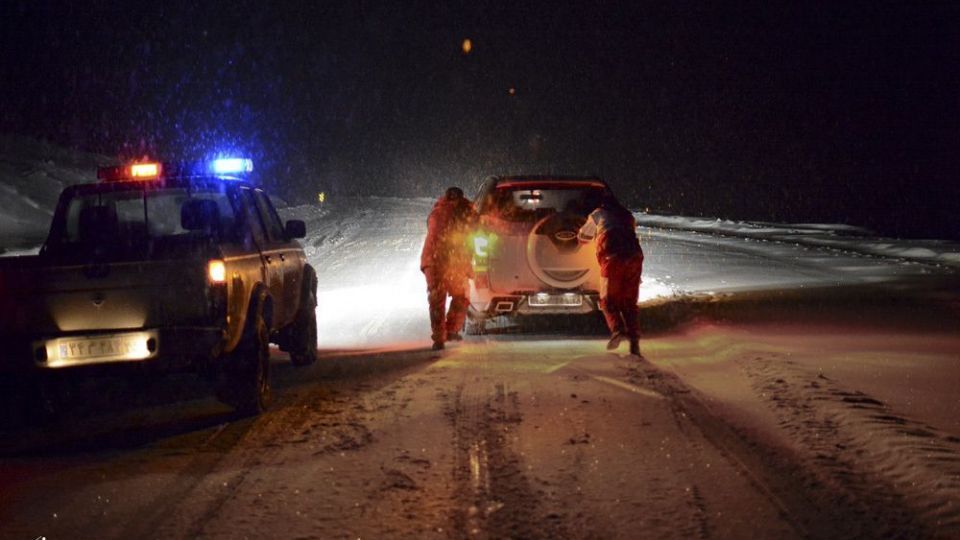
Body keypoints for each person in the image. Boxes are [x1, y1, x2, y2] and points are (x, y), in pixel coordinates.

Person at [578, 191, 644, 356]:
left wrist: (579, 240)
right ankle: (634, 343)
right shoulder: (627, 215)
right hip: (635, 258)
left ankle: (617, 330)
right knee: (629, 302)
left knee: (608, 300)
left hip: (612, 259)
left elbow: (584, 235)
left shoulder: (598, 214)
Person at [421, 186, 477, 350]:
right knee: (460, 296)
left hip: (433, 261)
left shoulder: (438, 210)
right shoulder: (464, 212)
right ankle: (449, 331)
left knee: (437, 299)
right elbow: (471, 232)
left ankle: (440, 337)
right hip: (446, 261)